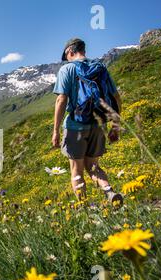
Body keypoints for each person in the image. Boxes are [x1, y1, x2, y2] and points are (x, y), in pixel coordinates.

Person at [52, 38, 123, 205]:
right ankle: (110, 192)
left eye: (66, 56)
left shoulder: (67, 69)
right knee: (93, 167)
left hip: (75, 126)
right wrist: (115, 125)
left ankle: (84, 209)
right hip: (99, 124)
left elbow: (61, 100)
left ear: (70, 52)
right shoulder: (100, 68)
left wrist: (55, 130)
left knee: (76, 170)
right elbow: (116, 98)